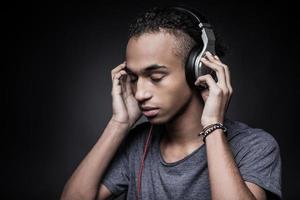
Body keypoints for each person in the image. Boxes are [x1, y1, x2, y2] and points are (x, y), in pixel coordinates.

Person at [60, 5, 282, 200]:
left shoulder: (254, 146)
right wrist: (119, 123)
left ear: (199, 69)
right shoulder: (137, 145)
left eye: (156, 77)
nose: (139, 94)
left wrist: (213, 125)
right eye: (135, 78)